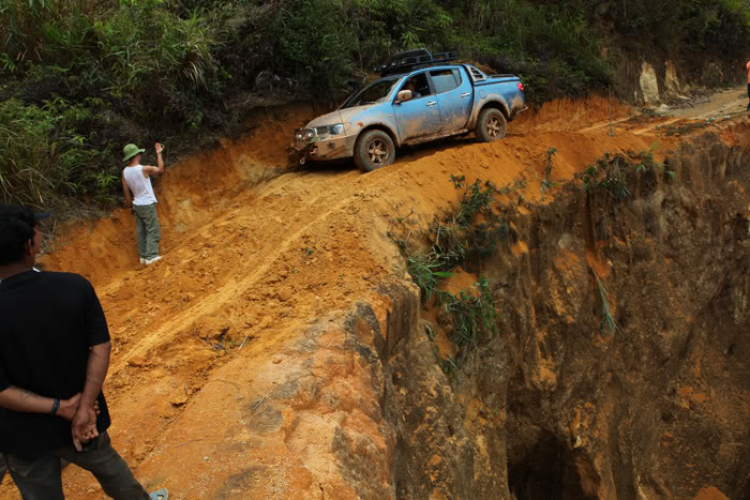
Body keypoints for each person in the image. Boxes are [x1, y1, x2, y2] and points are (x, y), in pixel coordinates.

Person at [0, 204, 168, 500]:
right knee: (112, 471)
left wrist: (58, 407)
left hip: (23, 436)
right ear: (30, 244)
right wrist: (84, 406)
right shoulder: (74, 287)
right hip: (84, 420)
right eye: (37, 231)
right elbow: (100, 347)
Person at [122, 143, 165, 265]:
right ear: (137, 155)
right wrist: (159, 153)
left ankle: (143, 257)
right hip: (147, 204)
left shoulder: (124, 172)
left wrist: (130, 205)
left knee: (141, 231)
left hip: (137, 204)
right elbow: (161, 169)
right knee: (153, 229)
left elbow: (126, 192)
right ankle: (151, 256)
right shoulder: (144, 169)